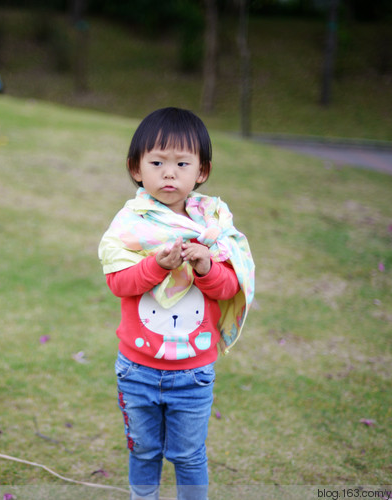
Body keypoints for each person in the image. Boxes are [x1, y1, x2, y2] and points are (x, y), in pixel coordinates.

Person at [98, 107, 255, 500]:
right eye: (157, 162)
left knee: (188, 455)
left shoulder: (213, 225)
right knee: (144, 450)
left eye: (182, 163)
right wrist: (154, 267)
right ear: (136, 169)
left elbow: (230, 286)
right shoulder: (130, 224)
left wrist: (205, 267)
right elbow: (120, 282)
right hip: (137, 369)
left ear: (202, 171)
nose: (169, 173)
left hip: (193, 373)